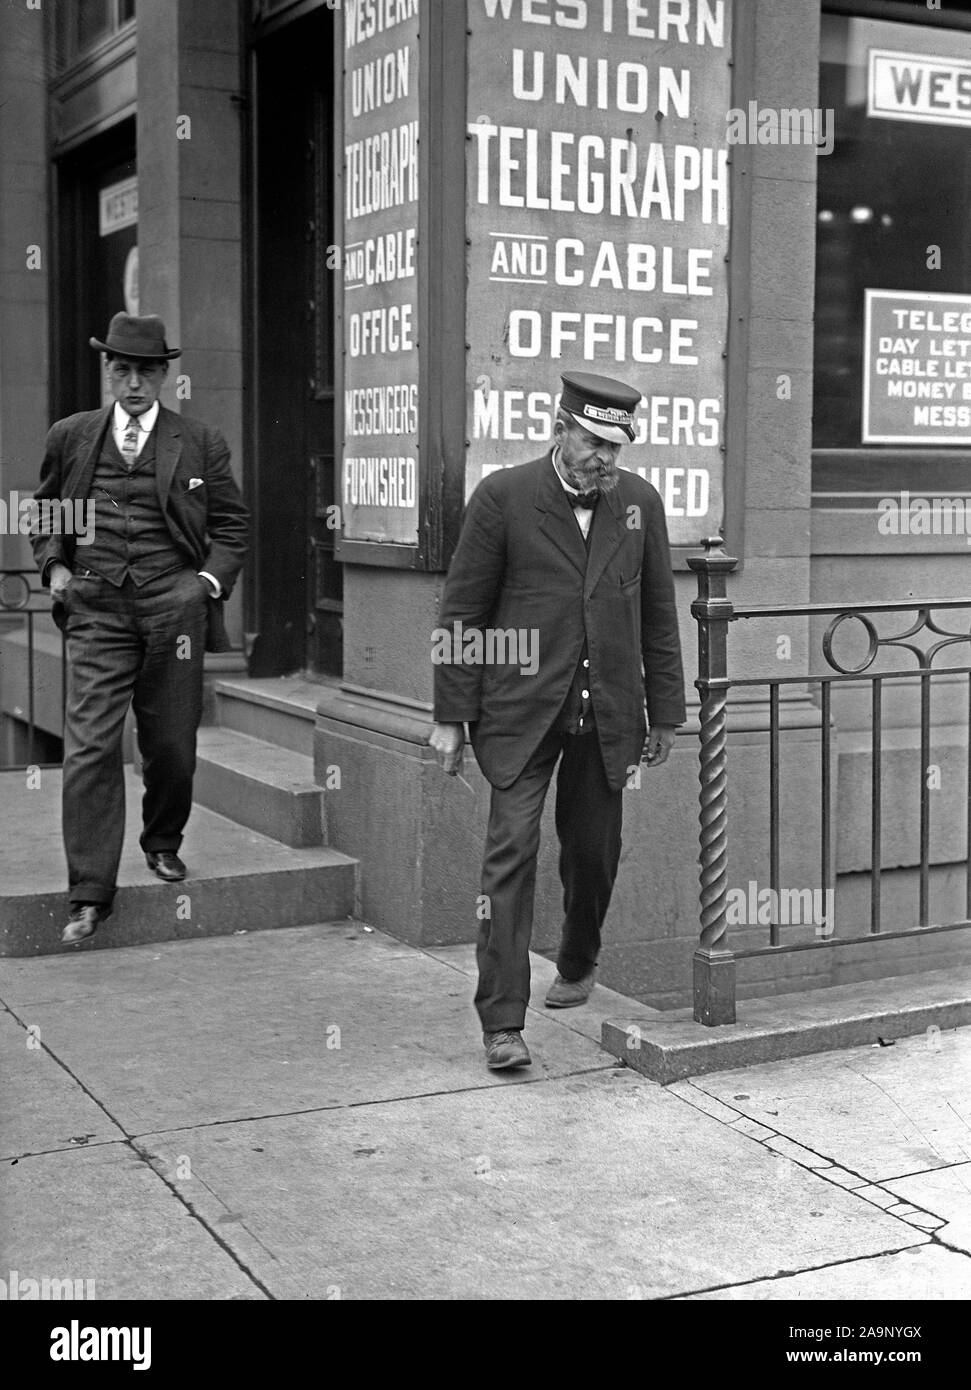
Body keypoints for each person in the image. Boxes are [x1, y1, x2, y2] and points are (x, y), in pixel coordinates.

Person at [430, 370, 686, 1069]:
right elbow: (462, 613)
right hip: (517, 715)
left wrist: (664, 711)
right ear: (559, 427)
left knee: (592, 853)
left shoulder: (636, 504)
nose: (604, 457)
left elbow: (657, 615)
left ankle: (577, 959)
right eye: (592, 441)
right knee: (508, 856)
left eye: (616, 445)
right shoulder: (503, 498)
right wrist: (451, 716)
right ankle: (502, 1024)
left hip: (604, 717)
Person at [31, 312, 249, 946]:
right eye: (121, 371)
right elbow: (46, 510)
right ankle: (91, 893)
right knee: (91, 745)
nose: (133, 385)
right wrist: (54, 566)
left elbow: (232, 527)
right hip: (97, 606)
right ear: (109, 372)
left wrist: (203, 585)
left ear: (163, 377)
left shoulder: (200, 443)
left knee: (172, 744)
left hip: (172, 608)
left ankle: (162, 840)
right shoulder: (73, 436)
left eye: (145, 373)